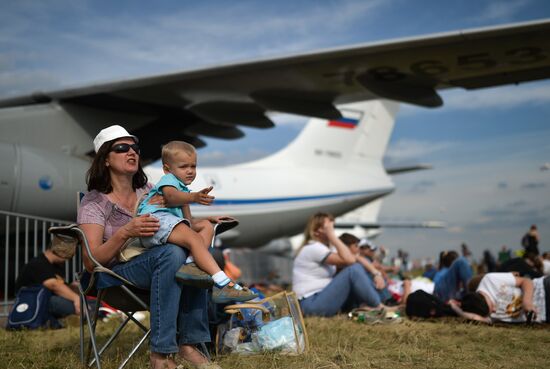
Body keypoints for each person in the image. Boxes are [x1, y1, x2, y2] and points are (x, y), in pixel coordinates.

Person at [77, 125, 221, 369]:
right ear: (106, 159)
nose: (132, 152)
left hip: (160, 266)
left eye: (135, 147)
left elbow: (177, 225)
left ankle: (189, 344)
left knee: (192, 255)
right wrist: (126, 231)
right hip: (115, 275)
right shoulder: (94, 202)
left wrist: (203, 224)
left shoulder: (150, 190)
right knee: (173, 253)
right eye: (122, 148)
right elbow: (91, 262)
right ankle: (162, 354)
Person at [137, 140, 255, 303]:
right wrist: (194, 197)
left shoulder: (184, 191)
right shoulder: (169, 181)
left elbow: (188, 221)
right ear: (167, 169)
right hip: (153, 223)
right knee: (192, 238)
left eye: (193, 166)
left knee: (205, 227)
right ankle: (223, 283)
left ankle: (191, 264)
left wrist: (208, 219)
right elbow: (171, 197)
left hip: (169, 224)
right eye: (184, 167)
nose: (190, 171)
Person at [292, 213, 386, 317]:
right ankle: (378, 306)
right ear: (317, 230)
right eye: (328, 226)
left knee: (360, 272)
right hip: (311, 303)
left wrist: (376, 273)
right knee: (353, 270)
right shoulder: (313, 247)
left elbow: (357, 258)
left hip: (319, 298)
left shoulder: (325, 248)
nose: (332, 228)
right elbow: (350, 261)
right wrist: (332, 236)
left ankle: (377, 303)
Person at [15, 234, 79, 328]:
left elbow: (60, 286)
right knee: (62, 302)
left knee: (84, 302)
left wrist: (71, 287)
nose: (66, 260)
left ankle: (94, 310)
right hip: (34, 302)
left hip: (48, 301)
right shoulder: (38, 263)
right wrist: (76, 298)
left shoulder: (56, 266)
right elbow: (53, 285)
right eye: (66, 256)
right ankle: (95, 312)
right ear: (60, 251)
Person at [455, 272, 550, 324]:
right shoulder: (484, 313)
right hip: (544, 315)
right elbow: (474, 318)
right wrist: (455, 308)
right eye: (490, 312)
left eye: (491, 306)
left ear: (484, 295)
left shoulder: (490, 280)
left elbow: (526, 281)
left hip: (544, 289)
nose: (495, 310)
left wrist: (527, 302)